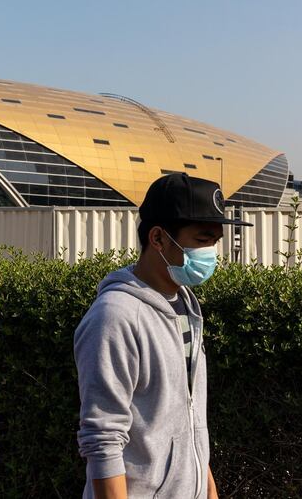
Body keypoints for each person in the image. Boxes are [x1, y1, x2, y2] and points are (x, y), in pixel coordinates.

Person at [74, 173, 252, 499]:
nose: (211, 252)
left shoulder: (184, 306)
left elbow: (188, 418)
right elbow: (103, 438)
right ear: (158, 238)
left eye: (215, 241)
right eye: (202, 240)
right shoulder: (115, 316)